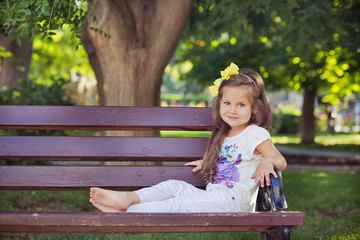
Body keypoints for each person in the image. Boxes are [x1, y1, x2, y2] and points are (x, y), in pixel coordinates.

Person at [89, 62, 287, 213]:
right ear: (219, 104)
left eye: (241, 105)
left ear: (254, 108)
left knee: (178, 204)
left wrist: (268, 162)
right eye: (227, 102)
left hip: (234, 203)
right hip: (215, 197)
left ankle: (128, 212)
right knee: (173, 186)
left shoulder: (254, 133)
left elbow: (281, 160)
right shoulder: (225, 133)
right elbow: (235, 159)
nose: (232, 110)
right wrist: (209, 161)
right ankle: (129, 199)